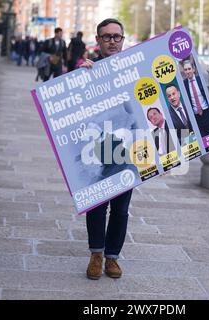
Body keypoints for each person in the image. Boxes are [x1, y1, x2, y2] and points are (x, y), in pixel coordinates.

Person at [78, 18, 132, 280]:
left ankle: (113, 257)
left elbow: (140, 112)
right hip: (96, 145)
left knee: (121, 208)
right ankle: (96, 254)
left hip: (124, 146)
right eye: (107, 36)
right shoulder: (86, 70)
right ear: (97, 40)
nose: (112, 41)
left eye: (117, 36)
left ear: (123, 39)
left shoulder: (134, 69)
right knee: (96, 203)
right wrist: (83, 79)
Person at [182, 61, 209, 138]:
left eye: (189, 69)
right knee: (202, 139)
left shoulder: (201, 79)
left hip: (207, 113)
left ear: (193, 69)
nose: (188, 71)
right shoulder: (184, 84)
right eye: (185, 69)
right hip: (196, 116)